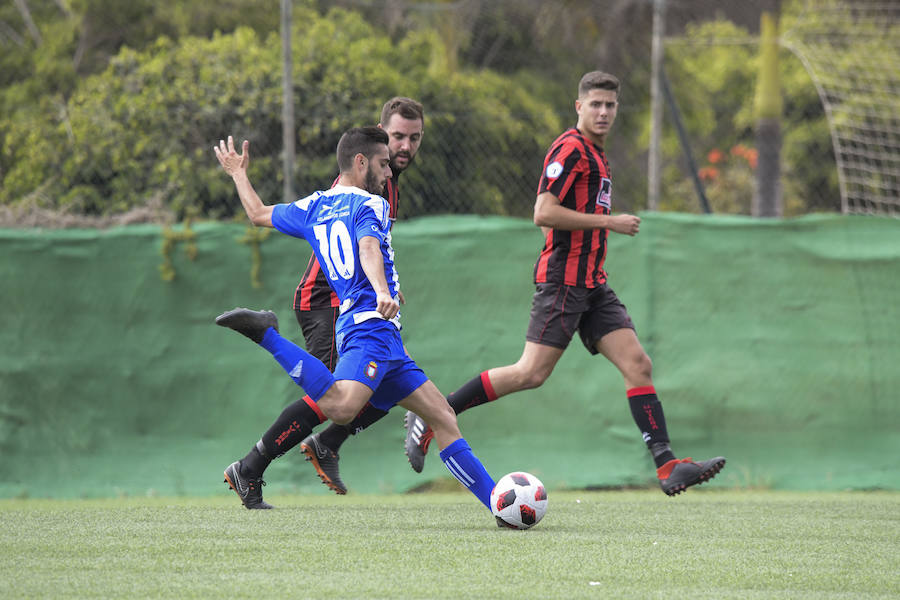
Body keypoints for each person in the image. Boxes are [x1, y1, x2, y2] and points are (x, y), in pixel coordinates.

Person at [401, 71, 726, 496]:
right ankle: (433, 412)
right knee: (530, 373)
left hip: (592, 286)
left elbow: (555, 219)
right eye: (595, 104)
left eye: (610, 105)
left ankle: (667, 467)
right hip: (564, 285)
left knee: (638, 364)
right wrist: (608, 222)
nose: (604, 112)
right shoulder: (570, 149)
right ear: (579, 107)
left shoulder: (598, 154)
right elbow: (543, 212)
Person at [213, 127, 495, 511]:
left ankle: (498, 503)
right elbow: (367, 246)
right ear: (360, 162)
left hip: (377, 334)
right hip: (369, 326)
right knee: (343, 407)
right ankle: (268, 336)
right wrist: (381, 290)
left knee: (442, 416)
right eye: (383, 164)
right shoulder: (370, 204)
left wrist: (238, 174)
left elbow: (258, 214)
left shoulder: (315, 204)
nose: (389, 173)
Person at [294, 98, 424, 495]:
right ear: (378, 139)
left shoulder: (387, 187)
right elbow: (362, 249)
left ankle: (327, 444)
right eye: (397, 136)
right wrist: (381, 290)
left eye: (414, 138)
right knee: (332, 399)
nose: (405, 146)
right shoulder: (355, 184)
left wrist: (388, 287)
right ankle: (252, 466)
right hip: (326, 302)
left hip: (355, 305)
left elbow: (377, 249)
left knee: (373, 383)